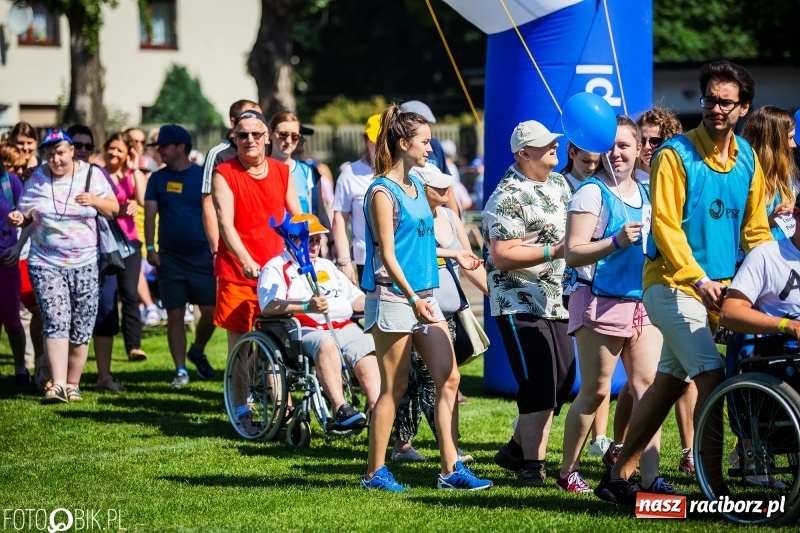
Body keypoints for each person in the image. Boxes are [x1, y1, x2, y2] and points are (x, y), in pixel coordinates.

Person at [595, 60, 773, 506]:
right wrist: (699, 279)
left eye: (725, 102)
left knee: (668, 383)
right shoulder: (675, 155)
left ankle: (618, 477)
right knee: (711, 377)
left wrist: (774, 273)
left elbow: (755, 231)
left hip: (717, 291)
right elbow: (667, 228)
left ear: (743, 108)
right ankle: (717, 489)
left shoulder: (748, 158)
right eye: (709, 99)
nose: (715, 108)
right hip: (671, 286)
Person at [360, 104, 491, 492]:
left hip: (424, 298)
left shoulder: (417, 186)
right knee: (395, 388)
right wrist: (413, 297)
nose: (430, 149)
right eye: (425, 142)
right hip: (394, 299)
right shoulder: (381, 191)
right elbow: (387, 254)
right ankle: (374, 473)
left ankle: (451, 470)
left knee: (449, 377)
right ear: (403, 144)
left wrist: (455, 254)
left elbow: (419, 242)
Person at [560, 116, 679, 495]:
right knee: (595, 392)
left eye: (625, 145)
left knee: (649, 389)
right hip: (598, 301)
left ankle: (649, 479)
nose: (617, 152)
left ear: (638, 149)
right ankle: (568, 471)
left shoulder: (648, 192)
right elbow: (572, 254)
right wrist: (614, 242)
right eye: (610, 146)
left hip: (641, 304)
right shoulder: (590, 193)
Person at [483, 120, 575, 487]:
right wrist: (556, 249)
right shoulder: (506, 196)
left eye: (554, 140)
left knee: (564, 381)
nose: (555, 146)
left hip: (557, 295)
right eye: (545, 144)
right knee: (539, 380)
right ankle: (532, 466)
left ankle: (515, 450)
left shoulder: (558, 183)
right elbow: (502, 256)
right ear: (524, 154)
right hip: (518, 299)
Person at [7, 129, 119, 402]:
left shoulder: (91, 174)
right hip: (46, 261)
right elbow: (26, 213)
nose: (55, 159)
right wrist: (17, 217)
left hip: (86, 261)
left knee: (81, 325)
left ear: (71, 151)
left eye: (60, 153)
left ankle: (72, 384)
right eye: (49, 154)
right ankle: (56, 384)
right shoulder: (38, 179)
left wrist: (94, 201)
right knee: (55, 320)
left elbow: (114, 208)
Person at [390, 163, 488, 463]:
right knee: (429, 381)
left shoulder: (450, 216)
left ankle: (437, 447)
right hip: (422, 309)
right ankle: (425, 447)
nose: (446, 190)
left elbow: (469, 263)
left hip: (451, 310)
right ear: (420, 188)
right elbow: (405, 254)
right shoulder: (411, 219)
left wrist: (497, 296)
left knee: (445, 380)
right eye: (438, 186)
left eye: (447, 185)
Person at [258, 214, 380, 427]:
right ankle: (341, 408)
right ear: (292, 240)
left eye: (317, 240)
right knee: (326, 344)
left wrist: (377, 303)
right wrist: (307, 306)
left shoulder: (326, 265)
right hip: (303, 329)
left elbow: (354, 298)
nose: (314, 245)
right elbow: (268, 306)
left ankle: (378, 410)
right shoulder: (276, 266)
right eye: (309, 240)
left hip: (343, 325)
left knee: (366, 344)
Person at [634, 107, 698, 475]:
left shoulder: (678, 179)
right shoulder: (623, 179)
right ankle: (626, 455)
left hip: (672, 285)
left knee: (678, 375)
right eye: (641, 139)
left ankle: (689, 450)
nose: (646, 147)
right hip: (631, 288)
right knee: (642, 383)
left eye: (654, 140)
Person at [211, 110, 302, 362]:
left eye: (255, 134)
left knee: (275, 338)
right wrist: (245, 259)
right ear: (235, 139)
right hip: (238, 271)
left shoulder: (281, 171)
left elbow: (297, 216)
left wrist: (309, 243)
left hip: (275, 269)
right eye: (242, 135)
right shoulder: (224, 173)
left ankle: (275, 395)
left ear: (266, 138)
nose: (249, 139)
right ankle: (241, 401)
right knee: (240, 342)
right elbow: (225, 224)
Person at [719, 208, 800, 489]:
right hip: (779, 356)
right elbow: (730, 312)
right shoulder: (767, 256)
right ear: (797, 215)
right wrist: (787, 326)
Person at [145, 125, 217, 387]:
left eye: (163, 146)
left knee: (211, 311)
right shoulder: (156, 179)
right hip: (169, 258)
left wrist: (215, 250)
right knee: (174, 313)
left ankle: (196, 350)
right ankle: (180, 370)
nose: (159, 150)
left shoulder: (203, 177)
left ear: (181, 147)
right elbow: (151, 214)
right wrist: (151, 249)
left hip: (201, 256)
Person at [201, 100, 262, 259]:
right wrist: (215, 248)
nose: (254, 121)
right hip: (230, 246)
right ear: (234, 122)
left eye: (259, 117)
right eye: (249, 115)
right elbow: (208, 202)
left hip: (260, 243)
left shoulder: (263, 152)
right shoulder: (219, 154)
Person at [332, 114, 380, 285]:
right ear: (366, 141)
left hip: (402, 256)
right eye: (376, 142)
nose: (381, 147)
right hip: (366, 259)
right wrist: (344, 260)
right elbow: (339, 218)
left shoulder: (402, 170)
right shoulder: (350, 173)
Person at [741, 105, 798, 241]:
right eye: (789, 138)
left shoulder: (785, 176)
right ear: (773, 143)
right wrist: (770, 221)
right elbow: (731, 231)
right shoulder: (743, 177)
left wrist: (794, 212)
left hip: (787, 256)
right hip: (753, 257)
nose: (794, 145)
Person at [0, 154, 27, 385]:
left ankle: (20, 367)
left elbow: (28, 215)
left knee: (12, 321)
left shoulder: (11, 183)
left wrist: (19, 217)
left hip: (6, 261)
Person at [268, 111, 315, 214]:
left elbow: (308, 213)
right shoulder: (260, 169)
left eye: (295, 136)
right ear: (270, 134)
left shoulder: (305, 171)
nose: (289, 141)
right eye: (283, 135)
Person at [636, 107, 683, 175]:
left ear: (668, 141)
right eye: (642, 140)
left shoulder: (680, 175)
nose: (647, 146)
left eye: (654, 141)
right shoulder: (628, 177)